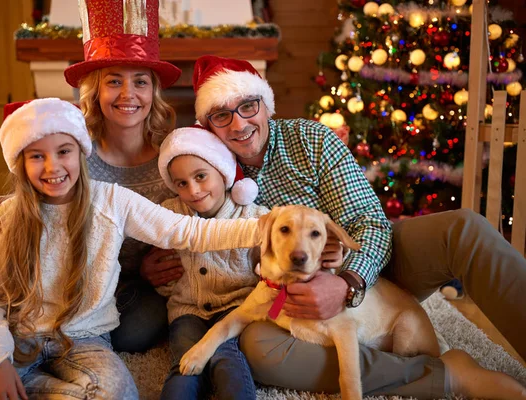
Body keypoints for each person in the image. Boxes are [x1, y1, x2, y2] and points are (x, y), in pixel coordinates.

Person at [189, 55, 526, 399]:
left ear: (265, 104)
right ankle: (446, 375)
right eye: (221, 115)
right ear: (209, 126)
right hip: (292, 296)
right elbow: (180, 228)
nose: (238, 124)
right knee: (259, 349)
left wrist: (347, 283)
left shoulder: (311, 139)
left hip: (373, 264)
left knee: (462, 229)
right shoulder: (204, 170)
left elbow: (370, 222)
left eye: (248, 105)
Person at [0, 98, 261, 400]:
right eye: (37, 156)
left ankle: (40, 387)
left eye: (63, 152)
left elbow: (189, 231)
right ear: (21, 164)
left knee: (118, 392)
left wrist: (267, 229)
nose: (52, 167)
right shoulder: (8, 215)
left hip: (86, 340)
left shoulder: (114, 201)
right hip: (21, 335)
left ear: (80, 152)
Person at [0, 0, 188, 354]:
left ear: (153, 91)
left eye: (140, 82)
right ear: (95, 90)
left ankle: (54, 331)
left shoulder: (174, 160)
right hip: (59, 273)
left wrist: (151, 267)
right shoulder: (73, 151)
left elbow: (191, 228)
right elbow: (35, 199)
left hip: (125, 287)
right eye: (114, 81)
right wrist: (4, 212)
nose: (128, 94)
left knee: (135, 334)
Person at [155, 126, 267, 400]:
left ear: (223, 172)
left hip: (235, 309)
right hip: (187, 310)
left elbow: (270, 268)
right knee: (184, 363)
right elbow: (162, 266)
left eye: (201, 176)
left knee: (227, 360)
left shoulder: (254, 216)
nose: (193, 190)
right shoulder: (169, 214)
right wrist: (170, 288)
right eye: (181, 183)